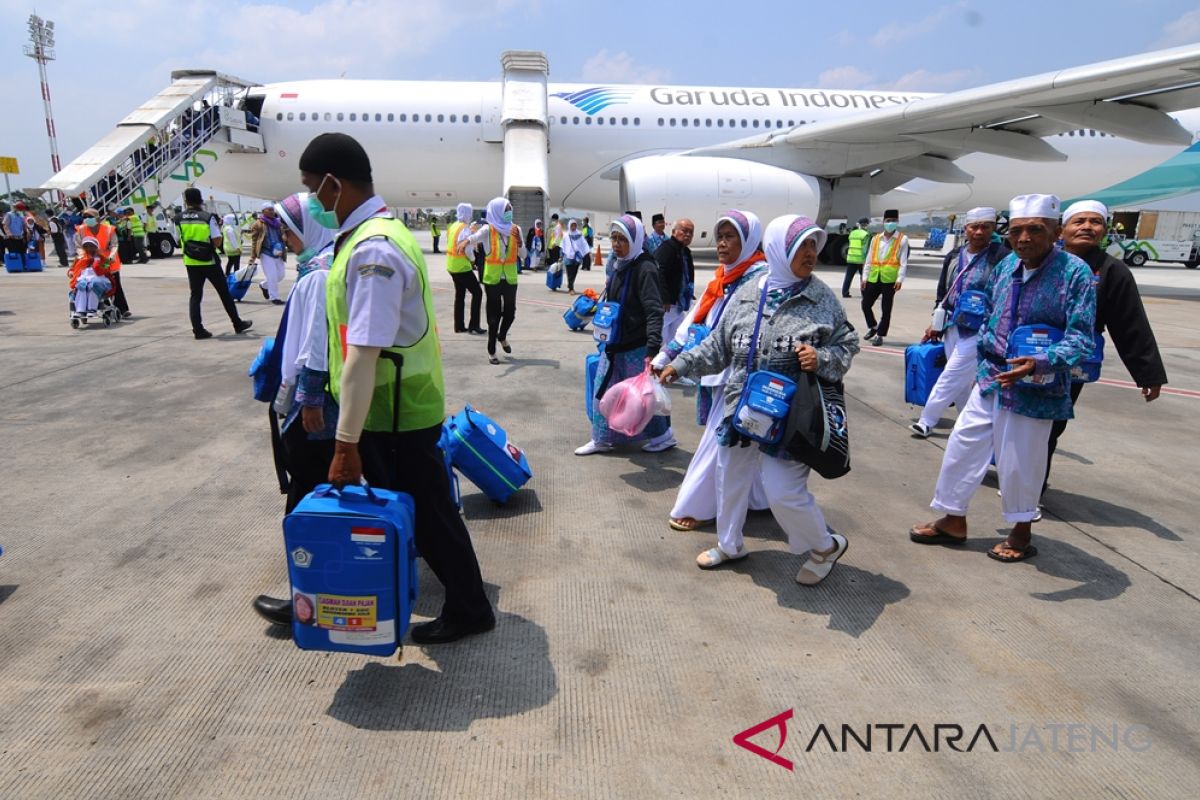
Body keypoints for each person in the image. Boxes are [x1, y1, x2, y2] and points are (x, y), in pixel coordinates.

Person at [256, 132, 494, 644]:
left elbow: (363, 354)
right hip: (389, 408)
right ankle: (350, 597)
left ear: (333, 184)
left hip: (394, 411)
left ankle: (469, 608)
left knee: (429, 515)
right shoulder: (369, 237)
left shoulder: (375, 252)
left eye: (312, 189)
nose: (312, 202)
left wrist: (345, 445)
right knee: (421, 511)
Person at [660, 215, 859, 583]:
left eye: (814, 245)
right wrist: (680, 364)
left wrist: (823, 359)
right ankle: (730, 544)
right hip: (743, 408)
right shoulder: (749, 292)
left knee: (783, 491)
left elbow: (847, 343)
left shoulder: (821, 298)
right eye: (803, 245)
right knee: (730, 478)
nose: (811, 253)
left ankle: (826, 546)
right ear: (779, 249)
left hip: (790, 416)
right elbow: (718, 345)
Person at [909, 194, 1096, 563]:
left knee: (1020, 461)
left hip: (1035, 386)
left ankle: (1021, 531)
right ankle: (953, 520)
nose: (1024, 238)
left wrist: (1041, 362)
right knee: (962, 446)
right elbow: (992, 314)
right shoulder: (1006, 265)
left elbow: (1081, 338)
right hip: (991, 375)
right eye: (1016, 231)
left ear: (1056, 232)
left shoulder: (1076, 274)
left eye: (1034, 230)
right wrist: (981, 355)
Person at [651, 210, 771, 532]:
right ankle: (759, 500)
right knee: (746, 445)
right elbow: (695, 320)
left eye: (730, 236)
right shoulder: (723, 277)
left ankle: (696, 505)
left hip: (741, 378)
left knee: (719, 443)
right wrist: (667, 355)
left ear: (748, 242)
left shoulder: (760, 281)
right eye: (720, 236)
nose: (721, 243)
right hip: (715, 369)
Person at [1042, 200, 1168, 494]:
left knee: (1052, 424)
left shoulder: (1113, 272)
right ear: (1062, 230)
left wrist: (1148, 373)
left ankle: (1033, 488)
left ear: (1105, 230)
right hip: (1031, 350)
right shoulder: (1042, 260)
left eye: (1095, 222)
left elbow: (1130, 324)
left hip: (1073, 363)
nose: (1087, 227)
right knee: (1015, 420)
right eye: (1079, 221)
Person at [575, 214, 676, 455]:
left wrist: (652, 349)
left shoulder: (645, 267)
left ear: (635, 239)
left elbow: (654, 311)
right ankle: (602, 438)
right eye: (614, 238)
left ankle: (663, 436)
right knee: (604, 391)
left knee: (642, 397)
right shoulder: (620, 264)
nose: (617, 244)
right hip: (614, 344)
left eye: (623, 239)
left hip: (636, 347)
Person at [910, 207, 1009, 438]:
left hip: (979, 329)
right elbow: (943, 290)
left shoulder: (1001, 256)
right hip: (951, 324)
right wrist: (936, 321)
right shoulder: (955, 255)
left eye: (985, 227)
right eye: (974, 226)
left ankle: (927, 420)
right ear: (966, 228)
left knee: (951, 375)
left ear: (993, 228)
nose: (979, 232)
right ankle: (967, 423)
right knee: (962, 382)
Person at [178, 187, 254, 339]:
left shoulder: (178, 217)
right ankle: (237, 323)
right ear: (200, 199)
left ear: (186, 201)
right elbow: (217, 239)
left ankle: (198, 330)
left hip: (190, 260)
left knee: (195, 296)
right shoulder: (207, 217)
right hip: (209, 260)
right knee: (224, 293)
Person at [461, 197, 526, 365]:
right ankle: (491, 350)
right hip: (492, 279)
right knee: (493, 316)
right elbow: (474, 237)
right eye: (506, 210)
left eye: (510, 209)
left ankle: (502, 336)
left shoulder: (515, 229)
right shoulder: (488, 230)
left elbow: (523, 256)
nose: (509, 213)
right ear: (497, 211)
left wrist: (519, 242)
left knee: (510, 313)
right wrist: (466, 242)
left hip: (510, 278)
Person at [860, 208, 908, 346]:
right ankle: (873, 326)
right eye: (888, 221)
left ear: (897, 222)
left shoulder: (902, 239)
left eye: (893, 221)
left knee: (886, 309)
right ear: (883, 222)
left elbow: (903, 261)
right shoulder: (875, 238)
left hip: (890, 279)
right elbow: (869, 259)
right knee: (865, 304)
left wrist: (900, 279)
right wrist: (864, 277)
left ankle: (880, 334)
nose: (890, 223)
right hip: (874, 277)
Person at [75, 208, 130, 318]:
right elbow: (79, 246)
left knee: (114, 285)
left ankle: (123, 309)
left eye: (89, 217)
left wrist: (110, 257)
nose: (86, 219)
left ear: (97, 218)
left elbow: (114, 245)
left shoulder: (108, 229)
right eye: (85, 217)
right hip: (90, 261)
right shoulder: (81, 229)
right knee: (92, 284)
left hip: (107, 261)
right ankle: (103, 309)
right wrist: (82, 256)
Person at [654, 218, 696, 346]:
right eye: (684, 231)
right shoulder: (667, 249)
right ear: (673, 232)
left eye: (691, 232)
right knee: (660, 337)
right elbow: (658, 273)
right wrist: (664, 298)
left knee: (678, 337)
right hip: (666, 305)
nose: (687, 235)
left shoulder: (685, 251)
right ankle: (654, 363)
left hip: (678, 303)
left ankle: (669, 363)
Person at [446, 202, 485, 334]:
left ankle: (459, 326)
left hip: (452, 266)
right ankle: (474, 325)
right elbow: (468, 250)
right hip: (462, 267)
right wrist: (473, 260)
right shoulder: (464, 228)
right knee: (478, 293)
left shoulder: (453, 226)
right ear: (467, 213)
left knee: (460, 295)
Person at [250, 201, 287, 305]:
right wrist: (252, 256)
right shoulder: (258, 224)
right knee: (272, 275)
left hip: (278, 252)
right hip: (266, 252)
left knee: (281, 275)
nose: (272, 212)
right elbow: (254, 241)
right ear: (263, 211)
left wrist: (284, 236)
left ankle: (264, 285)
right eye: (269, 210)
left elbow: (283, 234)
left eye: (272, 209)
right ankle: (274, 297)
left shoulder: (278, 223)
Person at [68, 237, 114, 317]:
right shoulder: (80, 258)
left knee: (93, 285)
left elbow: (102, 271)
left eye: (91, 246)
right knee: (81, 286)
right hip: (83, 279)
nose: (89, 248)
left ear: (96, 247)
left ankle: (92, 309)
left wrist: (96, 260)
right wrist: (71, 272)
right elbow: (72, 269)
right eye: (86, 246)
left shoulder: (103, 259)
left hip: (100, 280)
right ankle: (80, 310)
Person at [841, 217, 870, 298]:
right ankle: (864, 294)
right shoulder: (866, 234)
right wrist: (866, 260)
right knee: (863, 277)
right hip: (861, 259)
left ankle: (845, 293)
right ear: (866, 225)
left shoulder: (852, 233)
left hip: (851, 258)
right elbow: (865, 249)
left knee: (848, 277)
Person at [561, 218, 590, 294]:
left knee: (574, 273)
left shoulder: (579, 234)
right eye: (572, 226)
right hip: (568, 257)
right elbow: (563, 245)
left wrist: (587, 252)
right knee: (569, 273)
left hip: (577, 257)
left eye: (574, 225)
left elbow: (584, 244)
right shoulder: (566, 235)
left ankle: (570, 285)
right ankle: (571, 288)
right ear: (569, 226)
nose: (573, 227)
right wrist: (561, 255)